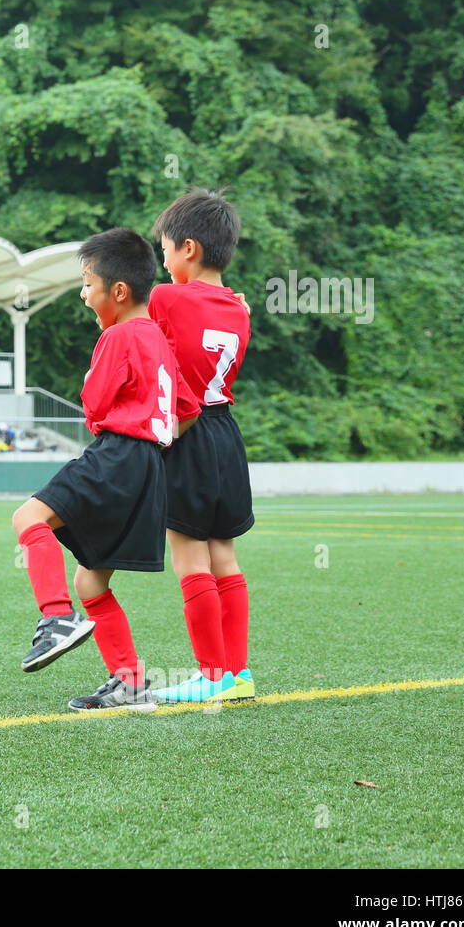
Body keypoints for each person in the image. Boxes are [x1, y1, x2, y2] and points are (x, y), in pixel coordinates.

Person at [11, 227, 200, 711]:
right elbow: (187, 411)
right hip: (149, 468)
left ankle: (56, 619)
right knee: (91, 581)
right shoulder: (158, 339)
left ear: (117, 292)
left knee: (27, 520)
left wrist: (121, 433)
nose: (82, 293)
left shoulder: (118, 336)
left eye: (86, 283)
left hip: (117, 454)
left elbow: (93, 405)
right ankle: (131, 683)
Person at [147, 188, 256, 704]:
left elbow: (143, 348)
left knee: (190, 558)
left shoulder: (166, 298)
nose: (163, 263)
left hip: (186, 434)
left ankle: (210, 677)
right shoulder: (239, 308)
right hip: (226, 434)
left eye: (164, 251)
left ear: (188, 248)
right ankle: (237, 674)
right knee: (224, 556)